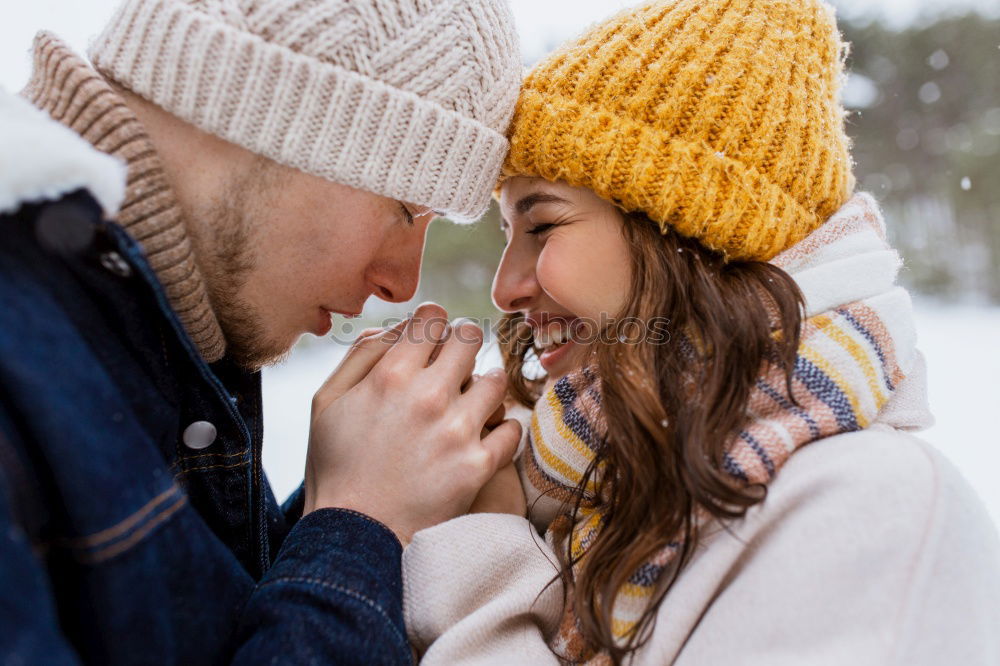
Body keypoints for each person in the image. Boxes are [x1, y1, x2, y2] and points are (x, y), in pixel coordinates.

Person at [402, 0, 1000, 663]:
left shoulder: (875, 516)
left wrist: (481, 539)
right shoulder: (594, 477)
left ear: (690, 234)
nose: (504, 288)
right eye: (506, 233)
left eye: (541, 225)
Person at [0, 0, 523, 663]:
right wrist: (360, 528)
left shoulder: (170, 334)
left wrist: (376, 495)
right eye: (404, 207)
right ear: (262, 108)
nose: (402, 283)